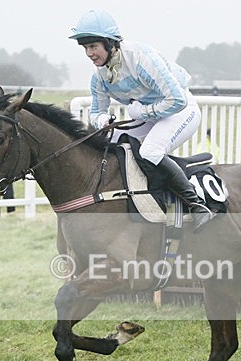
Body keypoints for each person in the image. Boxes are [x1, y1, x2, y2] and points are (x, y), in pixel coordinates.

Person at [70, 10, 213, 232]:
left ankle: (197, 205)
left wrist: (144, 112)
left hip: (181, 111)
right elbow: (97, 111)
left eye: (93, 46)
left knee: (150, 152)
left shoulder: (141, 59)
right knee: (111, 144)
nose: (89, 53)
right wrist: (102, 120)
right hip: (153, 115)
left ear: (110, 43)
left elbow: (177, 100)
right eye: (85, 48)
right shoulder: (99, 76)